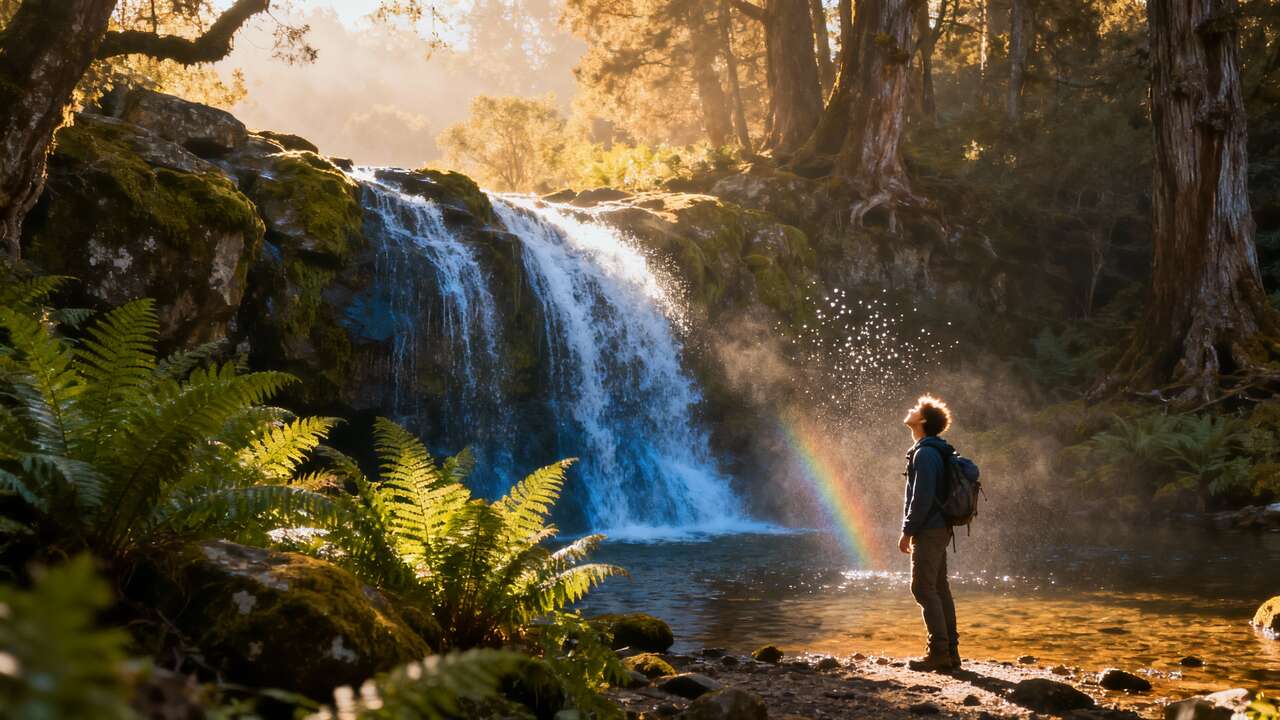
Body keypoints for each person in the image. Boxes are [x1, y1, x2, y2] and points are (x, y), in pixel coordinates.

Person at [898, 394, 960, 672]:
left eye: (915, 409)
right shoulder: (935, 449)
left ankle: (939, 654)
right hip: (941, 526)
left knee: (923, 588)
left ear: (922, 420)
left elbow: (921, 499)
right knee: (939, 588)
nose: (909, 410)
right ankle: (951, 652)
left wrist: (907, 531)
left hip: (930, 528)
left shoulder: (924, 453)